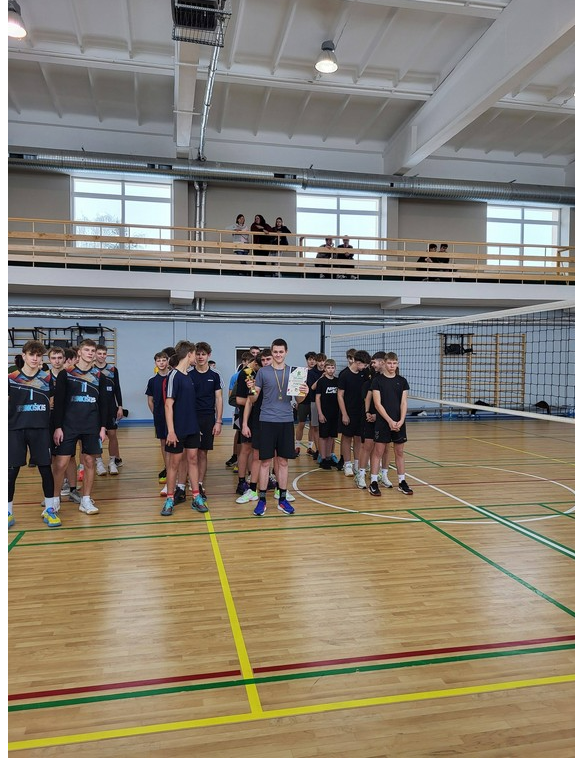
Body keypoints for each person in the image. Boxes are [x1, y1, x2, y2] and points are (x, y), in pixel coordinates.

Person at [244, 338, 308, 517]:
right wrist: (251, 388)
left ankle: (282, 499)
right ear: (271, 353)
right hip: (266, 420)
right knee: (265, 462)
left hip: (286, 421)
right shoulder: (263, 372)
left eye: (281, 352)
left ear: (286, 352)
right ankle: (262, 500)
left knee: (283, 462)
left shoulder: (294, 373)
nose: (278, 355)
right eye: (275, 352)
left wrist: (304, 392)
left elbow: (299, 400)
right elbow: (253, 399)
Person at [51, 339, 109, 516]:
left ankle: (86, 500)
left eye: (93, 350)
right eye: (87, 350)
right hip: (68, 425)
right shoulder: (66, 374)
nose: (90, 353)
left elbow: (104, 404)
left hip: (91, 426)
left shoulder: (99, 376)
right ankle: (54, 500)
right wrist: (58, 427)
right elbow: (59, 403)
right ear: (80, 352)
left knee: (90, 462)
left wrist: (103, 427)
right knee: (61, 463)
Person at [9, 340, 60, 528]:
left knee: (45, 470)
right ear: (24, 356)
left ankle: (50, 509)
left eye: (39, 355)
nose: (35, 358)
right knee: (11, 471)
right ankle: (7, 512)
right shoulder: (11, 378)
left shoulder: (47, 379)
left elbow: (53, 403)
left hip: (40, 430)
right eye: (32, 355)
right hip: (15, 429)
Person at [161, 341, 208, 516]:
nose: (196, 357)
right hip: (177, 429)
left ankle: (196, 497)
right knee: (174, 464)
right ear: (189, 354)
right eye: (195, 354)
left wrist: (196, 426)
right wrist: (171, 431)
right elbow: (168, 405)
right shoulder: (174, 376)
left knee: (193, 460)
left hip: (192, 428)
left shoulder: (188, 376)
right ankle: (169, 499)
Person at [369, 351, 413, 496]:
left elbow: (404, 402)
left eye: (394, 363)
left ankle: (402, 482)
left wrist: (401, 420)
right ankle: (373, 482)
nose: (392, 366)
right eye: (389, 363)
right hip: (383, 422)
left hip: (398, 422)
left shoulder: (402, 381)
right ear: (384, 363)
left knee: (399, 452)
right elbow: (377, 404)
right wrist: (389, 420)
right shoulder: (377, 381)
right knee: (378, 452)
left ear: (397, 364)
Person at [190, 341, 223, 504]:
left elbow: (219, 398)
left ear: (208, 355)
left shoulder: (215, 376)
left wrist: (218, 421)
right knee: (190, 453)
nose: (200, 357)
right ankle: (186, 484)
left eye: (203, 354)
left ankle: (199, 483)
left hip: (208, 418)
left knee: (203, 453)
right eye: (198, 354)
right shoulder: (189, 375)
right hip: (191, 417)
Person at [337, 349, 371, 477]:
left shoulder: (364, 373)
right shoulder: (344, 375)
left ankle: (357, 464)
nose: (365, 367)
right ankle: (347, 464)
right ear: (357, 362)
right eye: (364, 365)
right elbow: (340, 395)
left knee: (358, 438)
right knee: (346, 438)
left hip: (360, 412)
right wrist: (344, 414)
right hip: (348, 411)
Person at [94, 344, 124, 475]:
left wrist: (120, 406)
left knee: (112, 434)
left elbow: (117, 388)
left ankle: (112, 462)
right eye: (99, 353)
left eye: (104, 354)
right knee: (96, 436)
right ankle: (99, 462)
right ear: (95, 354)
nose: (102, 356)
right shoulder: (91, 370)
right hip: (95, 408)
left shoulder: (112, 369)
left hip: (111, 407)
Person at [145, 350, 172, 496]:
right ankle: (168, 470)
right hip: (160, 417)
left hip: (174, 417)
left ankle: (180, 474)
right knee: (163, 443)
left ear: (168, 361)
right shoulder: (152, 381)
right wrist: (156, 413)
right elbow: (150, 400)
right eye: (158, 361)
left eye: (163, 360)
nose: (161, 363)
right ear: (155, 363)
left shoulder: (173, 377)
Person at [315, 358, 340, 470]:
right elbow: (318, 398)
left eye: (332, 367)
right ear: (325, 369)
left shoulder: (337, 381)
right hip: (324, 412)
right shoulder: (321, 381)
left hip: (335, 413)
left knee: (331, 436)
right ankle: (323, 457)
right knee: (323, 436)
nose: (330, 370)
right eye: (328, 368)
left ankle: (329, 456)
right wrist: (320, 413)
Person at [294, 351, 317, 457]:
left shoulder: (318, 373)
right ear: (307, 360)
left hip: (314, 402)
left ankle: (310, 448)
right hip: (303, 402)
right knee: (301, 424)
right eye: (310, 359)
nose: (312, 361)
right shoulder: (302, 372)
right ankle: (297, 447)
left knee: (313, 425)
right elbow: (296, 386)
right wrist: (297, 401)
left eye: (314, 359)